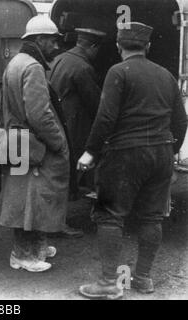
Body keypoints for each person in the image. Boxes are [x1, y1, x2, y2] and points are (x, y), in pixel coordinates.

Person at [77, 22, 187, 299]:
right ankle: (143, 279)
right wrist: (171, 152)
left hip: (126, 153)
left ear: (118, 46)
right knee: (152, 216)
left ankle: (107, 283)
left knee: (110, 216)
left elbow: (105, 118)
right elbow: (181, 120)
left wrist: (91, 151)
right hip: (162, 152)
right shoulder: (166, 75)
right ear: (147, 46)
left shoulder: (118, 72)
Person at [0, 15, 70, 272]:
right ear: (39, 41)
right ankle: (23, 254)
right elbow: (39, 114)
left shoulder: (16, 62)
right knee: (31, 199)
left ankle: (35, 247)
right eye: (52, 41)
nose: (56, 47)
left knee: (27, 198)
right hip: (36, 143)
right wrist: (58, 142)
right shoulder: (33, 67)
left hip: (21, 141)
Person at [48, 28, 106, 237]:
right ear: (92, 46)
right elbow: (96, 105)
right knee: (68, 174)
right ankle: (58, 223)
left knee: (58, 174)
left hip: (57, 124)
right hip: (74, 129)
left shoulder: (60, 58)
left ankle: (53, 220)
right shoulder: (82, 67)